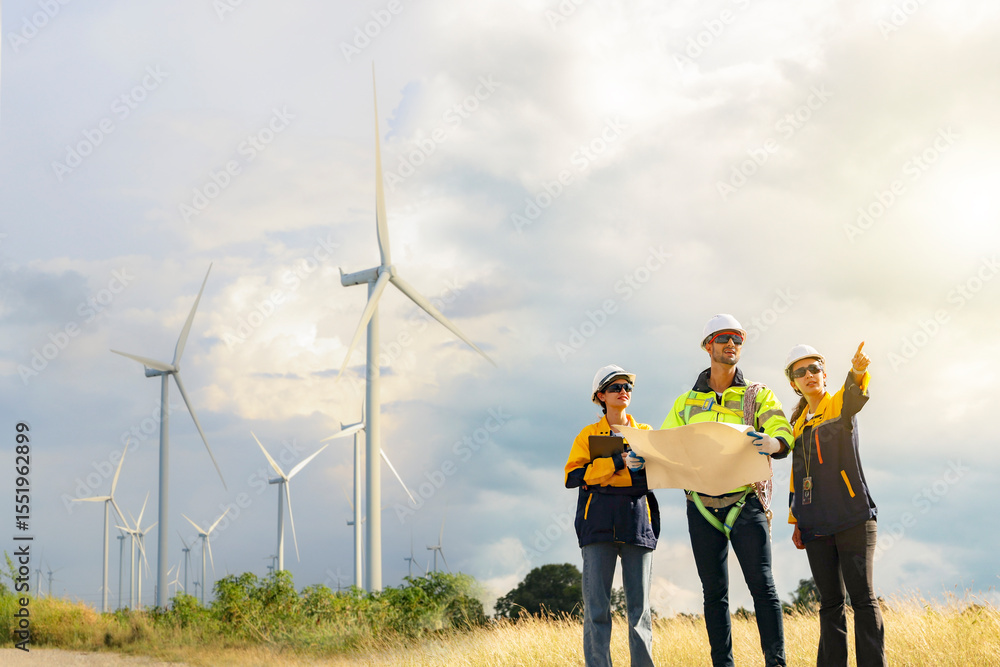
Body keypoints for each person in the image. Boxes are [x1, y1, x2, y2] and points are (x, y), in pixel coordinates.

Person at [661, 314, 791, 667]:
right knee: (714, 593)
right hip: (701, 507)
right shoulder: (686, 402)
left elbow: (781, 427)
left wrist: (776, 442)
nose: (731, 343)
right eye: (723, 338)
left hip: (744, 503)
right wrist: (642, 457)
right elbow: (665, 444)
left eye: (737, 338)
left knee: (762, 587)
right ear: (708, 346)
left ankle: (776, 663)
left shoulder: (757, 394)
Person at [785, 342, 886, 667]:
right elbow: (797, 478)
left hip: (853, 517)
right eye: (801, 372)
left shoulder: (838, 404)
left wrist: (857, 371)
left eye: (814, 368)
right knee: (830, 604)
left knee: (862, 599)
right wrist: (797, 520)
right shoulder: (796, 426)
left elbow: (855, 395)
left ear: (824, 374)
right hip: (816, 526)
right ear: (794, 383)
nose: (809, 375)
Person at [565, 364, 660, 667]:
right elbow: (574, 476)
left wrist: (601, 474)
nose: (623, 391)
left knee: (639, 612)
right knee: (596, 610)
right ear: (600, 396)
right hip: (597, 527)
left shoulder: (645, 433)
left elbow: (657, 475)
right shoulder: (587, 435)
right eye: (615, 387)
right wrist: (618, 462)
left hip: (637, 525)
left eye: (627, 387)